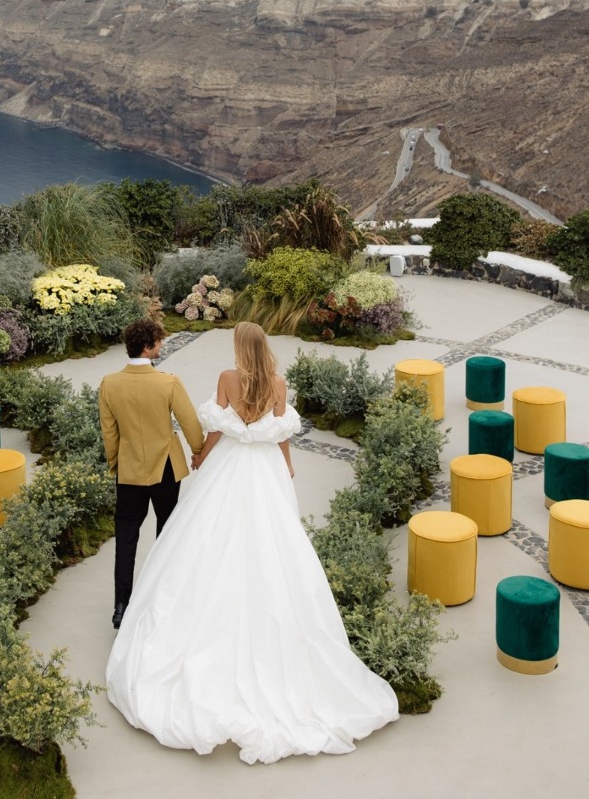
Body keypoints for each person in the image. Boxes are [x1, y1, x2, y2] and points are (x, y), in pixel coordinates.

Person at [106, 321, 399, 765]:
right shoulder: (278, 384)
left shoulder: (227, 379)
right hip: (264, 470)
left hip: (227, 468)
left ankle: (140, 604)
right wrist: (287, 467)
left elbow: (219, 427)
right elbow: (280, 434)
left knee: (199, 538)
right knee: (274, 543)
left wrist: (203, 455)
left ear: (241, 349)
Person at [98, 318, 205, 630]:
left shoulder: (109, 383)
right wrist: (198, 450)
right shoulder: (168, 382)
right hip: (167, 469)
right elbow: (189, 424)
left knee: (126, 537)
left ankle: (121, 605)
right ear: (147, 346)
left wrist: (118, 463)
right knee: (167, 533)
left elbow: (110, 433)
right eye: (159, 342)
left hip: (129, 470)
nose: (162, 345)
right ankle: (161, 598)